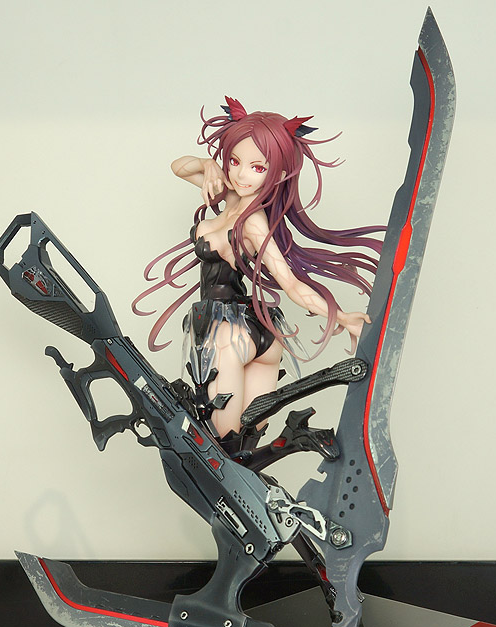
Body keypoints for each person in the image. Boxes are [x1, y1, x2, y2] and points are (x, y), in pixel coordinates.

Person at [132, 97, 384, 441]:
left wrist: (339, 317)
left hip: (226, 333)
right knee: (243, 446)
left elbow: (291, 285)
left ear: (277, 173)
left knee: (219, 443)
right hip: (257, 331)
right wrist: (208, 164)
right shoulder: (230, 195)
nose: (240, 174)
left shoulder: (252, 223)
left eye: (257, 167)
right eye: (235, 161)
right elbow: (178, 167)